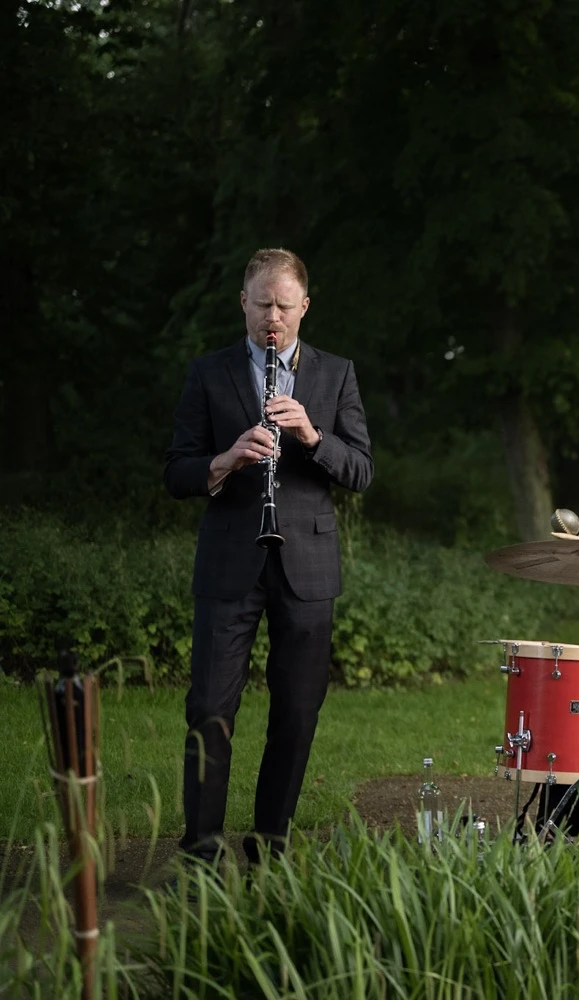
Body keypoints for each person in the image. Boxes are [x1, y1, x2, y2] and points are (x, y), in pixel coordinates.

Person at [165, 248, 373, 865]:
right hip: (230, 563)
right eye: (262, 305)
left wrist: (311, 437)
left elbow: (361, 471)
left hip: (307, 569)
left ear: (305, 307)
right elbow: (176, 471)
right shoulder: (209, 373)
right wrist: (225, 460)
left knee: (297, 711)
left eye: (284, 305)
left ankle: (269, 846)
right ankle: (201, 851)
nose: (272, 317)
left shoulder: (335, 375)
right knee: (209, 707)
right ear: (244, 304)